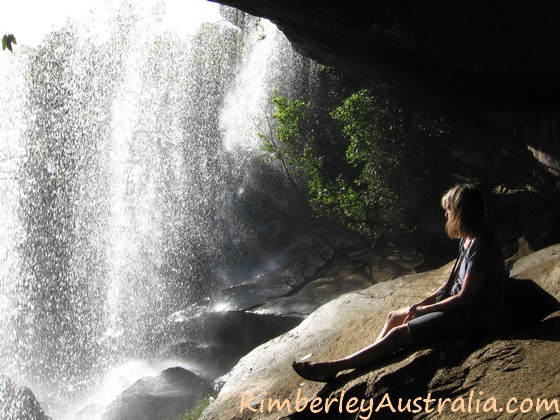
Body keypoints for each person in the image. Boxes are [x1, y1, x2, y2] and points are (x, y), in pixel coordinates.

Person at [292, 184, 506, 382]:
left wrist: (426, 309)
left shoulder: (482, 245)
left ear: (460, 212)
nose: (445, 214)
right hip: (458, 307)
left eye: (449, 209)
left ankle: (336, 366)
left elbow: (465, 297)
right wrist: (420, 304)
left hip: (473, 316)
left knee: (398, 335)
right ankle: (372, 353)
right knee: (394, 316)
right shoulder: (467, 239)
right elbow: (451, 284)